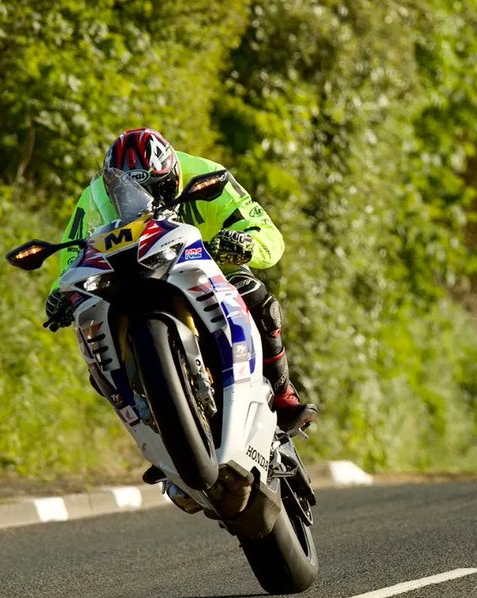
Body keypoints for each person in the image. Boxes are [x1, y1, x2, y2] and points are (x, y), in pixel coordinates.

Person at [44, 127, 317, 433]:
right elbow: (74, 253)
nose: (146, 201)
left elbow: (264, 230)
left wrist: (246, 244)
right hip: (129, 275)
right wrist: (62, 293)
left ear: (173, 175)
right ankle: (152, 433)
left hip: (212, 263)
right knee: (96, 350)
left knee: (254, 295)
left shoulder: (208, 175)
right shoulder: (96, 198)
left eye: (158, 190)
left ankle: (283, 395)